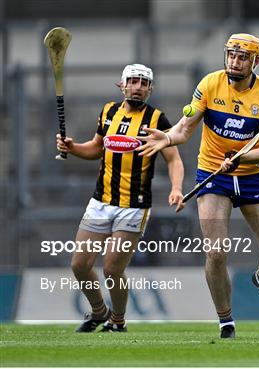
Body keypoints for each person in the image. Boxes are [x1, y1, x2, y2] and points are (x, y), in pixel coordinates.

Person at [137, 34, 259, 338]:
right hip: (213, 174)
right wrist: (167, 137)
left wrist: (239, 160)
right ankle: (226, 321)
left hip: (252, 176)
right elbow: (184, 128)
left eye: (242, 57)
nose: (234, 62)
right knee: (216, 252)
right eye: (231, 55)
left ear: (255, 61)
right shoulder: (209, 85)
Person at [56, 64, 185, 332]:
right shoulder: (108, 111)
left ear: (150, 89)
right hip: (100, 202)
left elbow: (173, 159)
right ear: (122, 84)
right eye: (133, 81)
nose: (138, 86)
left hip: (133, 206)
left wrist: (176, 188)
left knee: (112, 270)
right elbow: (96, 148)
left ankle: (118, 320)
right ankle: (99, 311)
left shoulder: (157, 119)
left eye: (144, 83)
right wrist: (73, 147)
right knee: (79, 266)